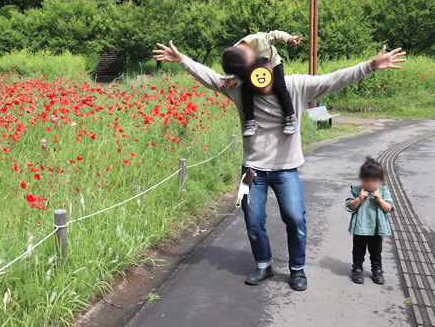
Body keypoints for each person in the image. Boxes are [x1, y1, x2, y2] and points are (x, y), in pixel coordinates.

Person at [152, 40, 406, 291]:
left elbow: (333, 79)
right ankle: (264, 264)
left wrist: (370, 65)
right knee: (253, 221)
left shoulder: (295, 86)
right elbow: (210, 78)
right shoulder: (239, 88)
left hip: (286, 169)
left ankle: (297, 269)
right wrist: (182, 60)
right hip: (252, 170)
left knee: (296, 218)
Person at [221, 31, 302, 137]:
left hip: (273, 63)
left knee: (279, 85)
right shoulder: (234, 59)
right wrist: (235, 80)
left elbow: (275, 35)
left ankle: (291, 118)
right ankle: (250, 122)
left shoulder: (258, 40)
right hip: (253, 71)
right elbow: (242, 74)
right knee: (245, 90)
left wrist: (289, 39)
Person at [345, 157, 394, 285]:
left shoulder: (383, 191)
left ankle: (377, 270)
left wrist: (380, 200)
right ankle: (357, 269)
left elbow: (389, 208)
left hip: (376, 230)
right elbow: (350, 206)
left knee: (376, 253)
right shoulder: (357, 190)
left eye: (374, 181)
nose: (370, 184)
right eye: (366, 180)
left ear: (380, 181)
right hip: (360, 229)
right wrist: (359, 198)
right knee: (358, 251)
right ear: (362, 179)